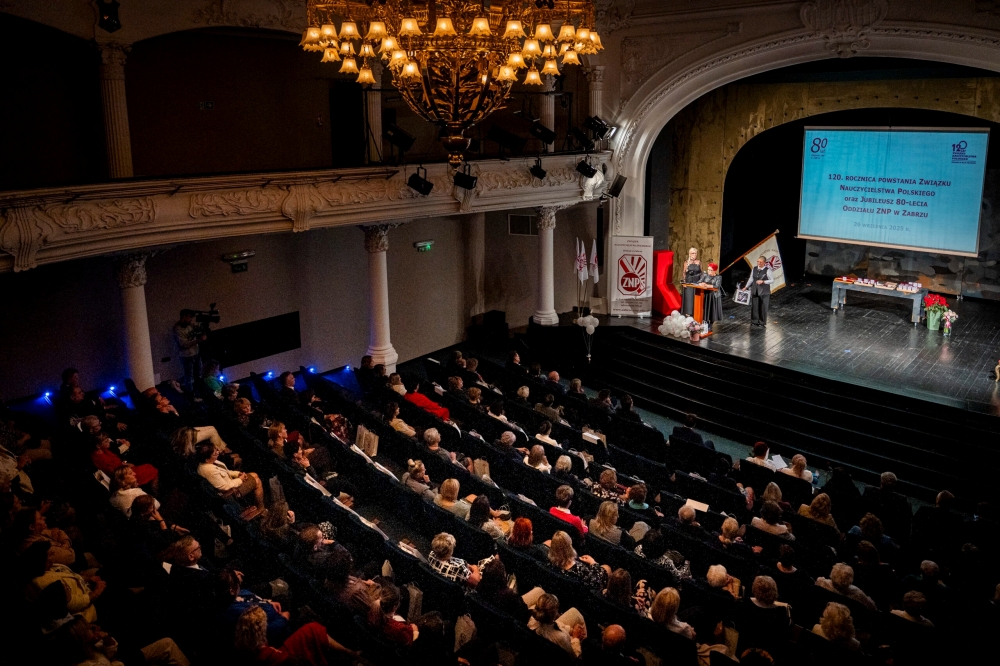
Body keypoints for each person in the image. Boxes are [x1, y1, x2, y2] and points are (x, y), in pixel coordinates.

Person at [234, 605, 358, 663]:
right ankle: (349, 653)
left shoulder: (239, 645)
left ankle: (347, 653)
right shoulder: (271, 656)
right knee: (313, 629)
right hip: (288, 657)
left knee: (311, 628)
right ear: (261, 630)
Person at [196, 443, 265, 511]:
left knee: (254, 474)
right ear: (207, 459)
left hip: (230, 483)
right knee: (257, 481)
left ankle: (251, 503)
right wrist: (240, 479)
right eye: (214, 453)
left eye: (216, 450)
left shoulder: (210, 461)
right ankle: (260, 509)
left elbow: (225, 472)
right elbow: (225, 487)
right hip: (230, 493)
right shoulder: (209, 471)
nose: (218, 453)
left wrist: (238, 474)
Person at [530, 592, 585, 657]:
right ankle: (585, 642)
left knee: (573, 611)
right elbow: (574, 657)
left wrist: (571, 630)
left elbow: (555, 624)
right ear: (555, 613)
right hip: (569, 650)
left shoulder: (533, 619)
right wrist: (576, 638)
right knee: (576, 615)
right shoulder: (561, 638)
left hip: (551, 631)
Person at [477, 558, 530, 623]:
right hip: (517, 621)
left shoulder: (480, 589)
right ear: (503, 576)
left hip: (493, 620)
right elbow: (524, 613)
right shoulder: (509, 596)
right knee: (539, 590)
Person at [173, 309, 205, 393]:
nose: (191, 320)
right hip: (186, 356)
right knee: (189, 377)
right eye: (189, 317)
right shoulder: (177, 329)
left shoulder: (190, 325)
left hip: (196, 353)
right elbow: (184, 345)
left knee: (198, 373)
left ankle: (197, 390)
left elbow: (198, 329)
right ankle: (191, 394)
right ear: (184, 316)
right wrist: (199, 340)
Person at [745, 255, 773, 327]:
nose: (759, 263)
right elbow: (751, 278)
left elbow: (772, 280)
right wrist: (746, 286)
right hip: (755, 290)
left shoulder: (767, 270)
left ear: (764, 262)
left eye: (761, 262)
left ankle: (761, 322)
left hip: (764, 291)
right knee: (754, 306)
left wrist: (763, 281)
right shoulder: (754, 269)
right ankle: (754, 321)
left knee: (763, 306)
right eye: (758, 262)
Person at [698, 262, 724, 330]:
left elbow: (717, 286)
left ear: (714, 270)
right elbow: (699, 282)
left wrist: (707, 285)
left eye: (710, 270)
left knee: (712, 309)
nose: (709, 271)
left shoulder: (718, 277)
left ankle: (711, 324)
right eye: (708, 269)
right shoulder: (705, 275)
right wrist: (701, 283)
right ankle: (705, 322)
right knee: (706, 308)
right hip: (706, 295)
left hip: (714, 295)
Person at [681, 247, 703, 317]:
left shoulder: (699, 262)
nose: (694, 255)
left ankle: (696, 312)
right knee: (689, 297)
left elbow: (702, 272)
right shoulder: (686, 262)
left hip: (697, 281)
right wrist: (684, 282)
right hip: (689, 281)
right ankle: (688, 313)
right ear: (689, 254)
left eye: (695, 253)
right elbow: (684, 273)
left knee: (696, 297)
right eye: (692, 253)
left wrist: (701, 281)